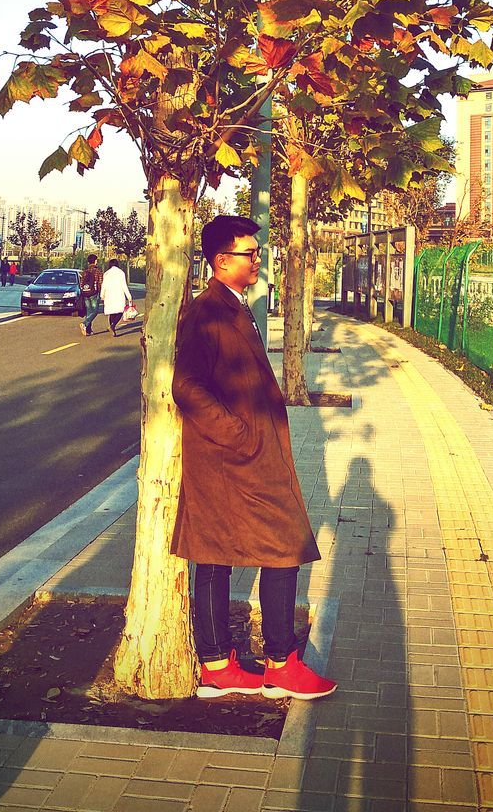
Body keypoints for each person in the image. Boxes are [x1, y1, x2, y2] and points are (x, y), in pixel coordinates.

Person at [171, 215, 336, 701]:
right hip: (234, 459)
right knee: (280, 544)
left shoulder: (230, 306)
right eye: (249, 252)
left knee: (217, 554)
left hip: (238, 459)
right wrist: (240, 436)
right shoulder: (209, 311)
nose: (258, 259)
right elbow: (186, 387)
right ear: (222, 261)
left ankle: (220, 665)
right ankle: (277, 664)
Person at [101, 258, 133, 336]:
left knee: (111, 312)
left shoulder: (106, 273)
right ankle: (113, 326)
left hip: (109, 295)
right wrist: (129, 296)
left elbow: (103, 285)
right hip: (119, 295)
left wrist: (102, 295)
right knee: (120, 311)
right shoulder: (121, 273)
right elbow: (124, 285)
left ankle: (112, 328)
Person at [79, 253, 104, 336]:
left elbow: (81, 283)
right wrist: (101, 293)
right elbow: (100, 283)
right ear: (95, 261)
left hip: (86, 293)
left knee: (89, 311)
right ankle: (85, 324)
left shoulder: (85, 271)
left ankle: (88, 330)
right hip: (94, 293)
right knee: (95, 311)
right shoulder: (98, 271)